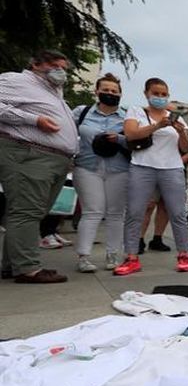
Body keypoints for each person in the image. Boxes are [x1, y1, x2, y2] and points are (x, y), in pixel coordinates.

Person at [0, 50, 78, 283]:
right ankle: (28, 269)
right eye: (54, 66)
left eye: (63, 68)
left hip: (50, 157)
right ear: (35, 64)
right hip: (29, 154)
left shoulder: (53, 91)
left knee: (33, 212)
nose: (60, 72)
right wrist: (33, 120)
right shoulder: (16, 81)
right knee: (27, 210)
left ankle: (13, 264)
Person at [114, 78, 188, 275]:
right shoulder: (136, 111)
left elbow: (186, 148)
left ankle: (183, 254)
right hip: (142, 166)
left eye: (164, 94)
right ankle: (131, 257)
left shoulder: (177, 118)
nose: (160, 97)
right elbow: (131, 135)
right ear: (147, 93)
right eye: (155, 93)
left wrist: (181, 132)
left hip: (172, 167)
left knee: (177, 213)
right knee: (135, 212)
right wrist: (157, 126)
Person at [71, 73, 129, 273]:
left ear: (120, 94)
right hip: (87, 167)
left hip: (120, 168)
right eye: (105, 90)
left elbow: (137, 141)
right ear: (96, 92)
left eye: (114, 91)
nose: (110, 93)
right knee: (92, 211)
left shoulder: (128, 116)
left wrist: (119, 139)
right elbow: (67, 132)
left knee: (116, 214)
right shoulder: (82, 112)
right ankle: (84, 256)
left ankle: (113, 254)